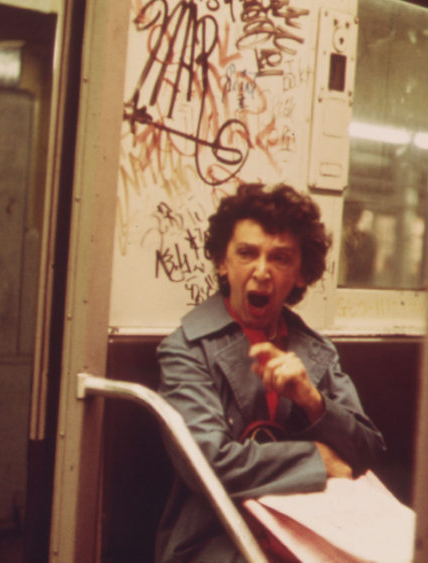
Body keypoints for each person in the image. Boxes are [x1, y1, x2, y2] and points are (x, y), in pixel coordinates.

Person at [155, 183, 386, 562]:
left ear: (300, 274)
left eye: (280, 258)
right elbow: (208, 463)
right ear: (222, 262)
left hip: (316, 527)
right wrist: (316, 460)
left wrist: (314, 402)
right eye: (247, 253)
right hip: (218, 538)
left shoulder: (317, 351)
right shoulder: (187, 348)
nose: (261, 271)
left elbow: (367, 452)